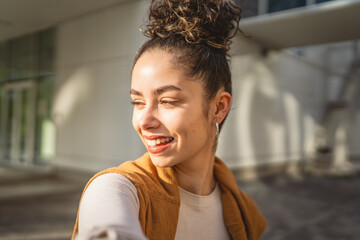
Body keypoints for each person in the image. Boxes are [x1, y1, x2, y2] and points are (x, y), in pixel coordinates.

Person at [72, 0, 267, 239]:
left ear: (219, 106)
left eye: (167, 101)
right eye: (138, 102)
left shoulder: (243, 210)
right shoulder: (118, 189)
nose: (144, 122)